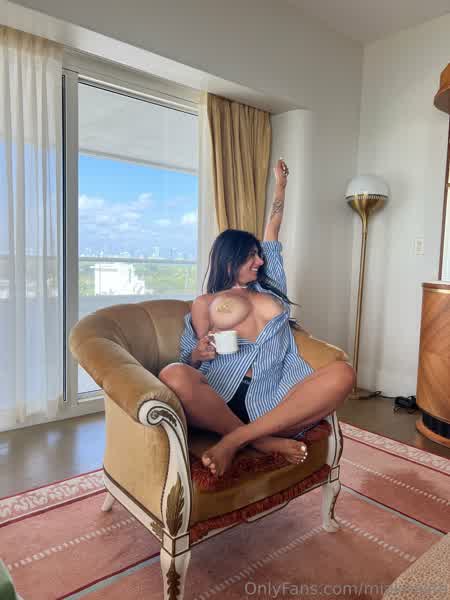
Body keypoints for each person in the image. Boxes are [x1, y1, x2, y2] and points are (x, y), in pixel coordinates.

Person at [159, 159, 355, 477]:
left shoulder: (271, 285)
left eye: (259, 254)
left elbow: (272, 228)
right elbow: (189, 360)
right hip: (218, 398)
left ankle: (237, 439)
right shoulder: (205, 303)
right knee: (172, 373)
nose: (259, 261)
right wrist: (198, 354)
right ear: (229, 260)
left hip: (274, 397)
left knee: (344, 373)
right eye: (250, 255)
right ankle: (263, 442)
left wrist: (281, 186)